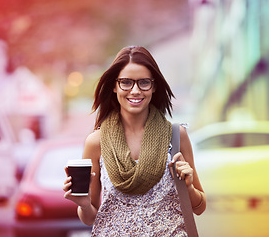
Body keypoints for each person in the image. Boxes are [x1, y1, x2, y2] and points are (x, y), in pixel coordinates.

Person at [63, 46, 206, 236]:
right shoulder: (96, 142)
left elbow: (199, 207)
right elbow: (89, 217)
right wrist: (83, 203)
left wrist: (188, 187)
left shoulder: (176, 136)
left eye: (144, 82)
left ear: (154, 86)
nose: (136, 90)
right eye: (126, 83)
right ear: (114, 86)